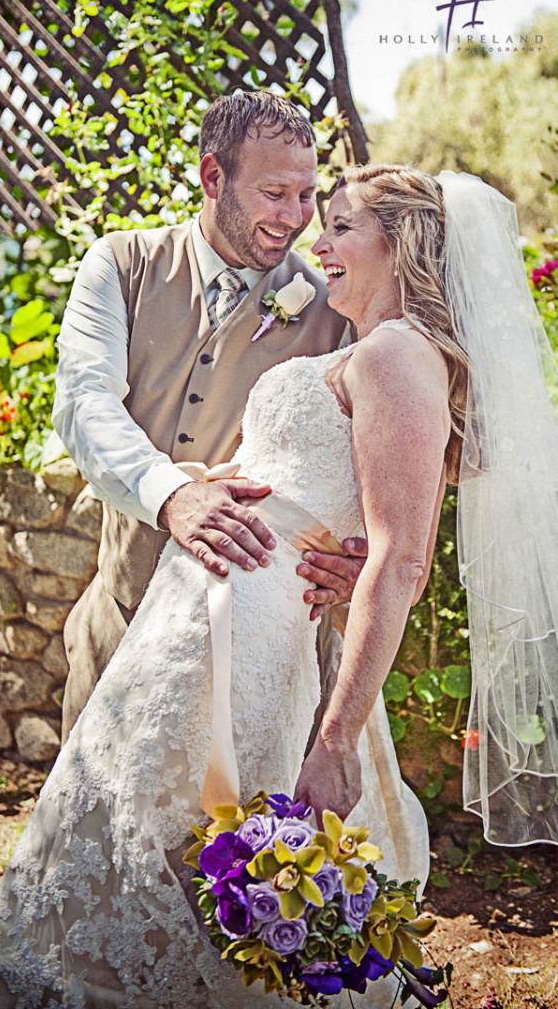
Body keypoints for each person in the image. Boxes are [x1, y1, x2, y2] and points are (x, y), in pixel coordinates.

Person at [0, 166, 558, 1008]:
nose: (315, 243)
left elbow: (401, 559)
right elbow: (323, 491)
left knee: (199, 857)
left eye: (342, 227)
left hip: (253, 637)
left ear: (401, 247)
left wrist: (335, 740)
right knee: (140, 841)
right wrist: (207, 482)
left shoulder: (399, 352)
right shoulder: (370, 346)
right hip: (209, 620)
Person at [53, 90, 364, 742]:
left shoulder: (335, 312)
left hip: (264, 646)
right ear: (213, 175)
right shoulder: (120, 264)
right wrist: (174, 497)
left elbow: (374, 455)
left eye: (307, 196)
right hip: (123, 618)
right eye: (275, 193)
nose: (296, 218)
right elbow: (84, 403)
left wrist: (358, 558)